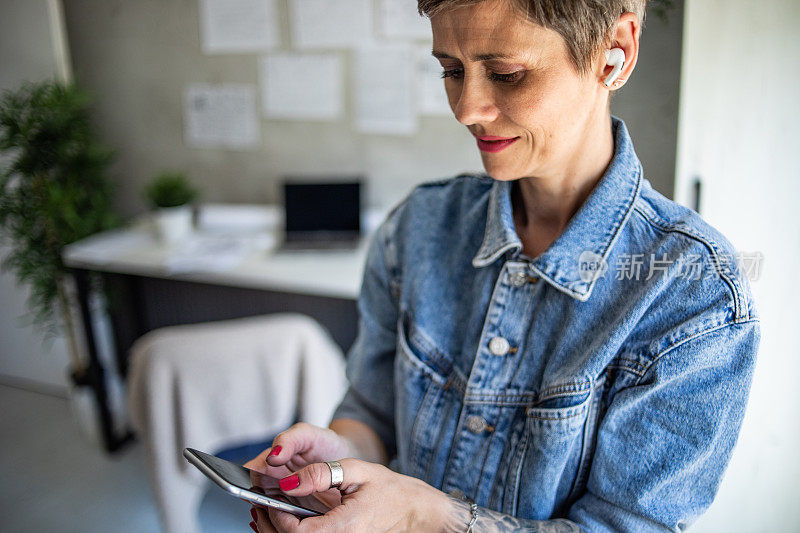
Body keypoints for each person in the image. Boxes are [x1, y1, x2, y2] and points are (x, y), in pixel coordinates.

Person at [245, 0, 760, 531]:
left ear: (616, 53)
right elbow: (374, 411)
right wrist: (338, 453)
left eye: (507, 74)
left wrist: (429, 518)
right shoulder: (417, 227)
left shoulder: (692, 295)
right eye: (450, 70)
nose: (467, 109)